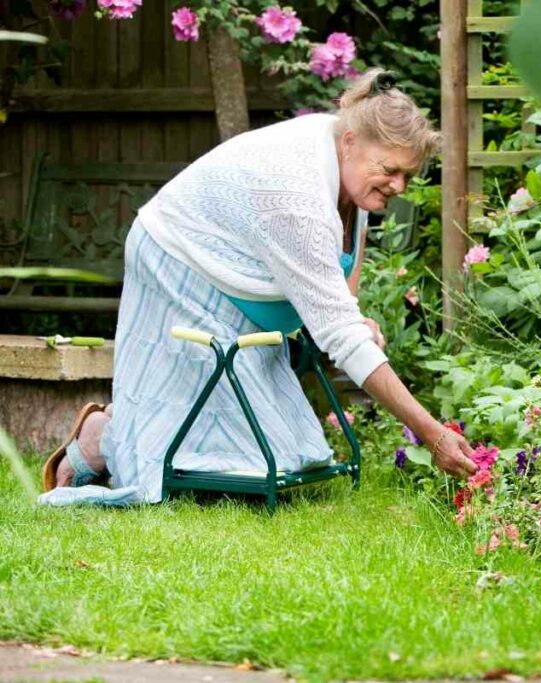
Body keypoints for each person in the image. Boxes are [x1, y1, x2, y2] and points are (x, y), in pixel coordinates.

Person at [39, 69, 478, 506]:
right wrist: (431, 433)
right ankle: (102, 437)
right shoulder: (298, 194)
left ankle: (112, 429)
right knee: (227, 466)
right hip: (178, 256)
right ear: (350, 142)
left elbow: (340, 300)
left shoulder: (353, 177)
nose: (399, 186)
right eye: (391, 170)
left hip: (236, 276)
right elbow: (340, 336)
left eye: (408, 176)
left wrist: (355, 320)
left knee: (284, 461)